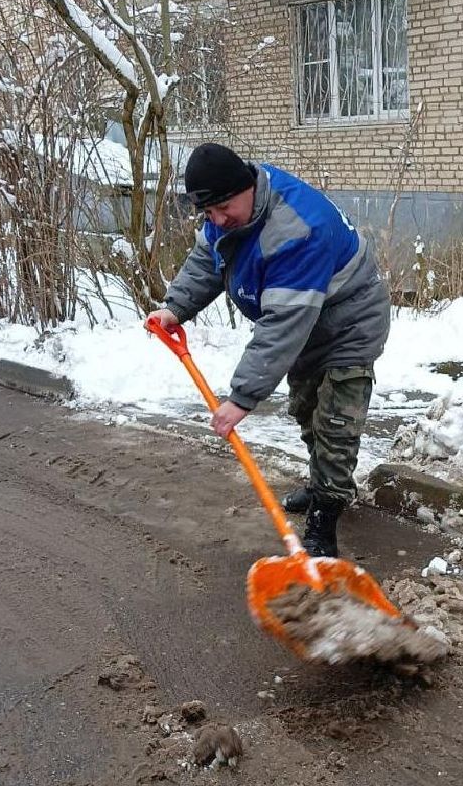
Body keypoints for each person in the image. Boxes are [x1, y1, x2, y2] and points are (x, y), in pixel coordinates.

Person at [146, 142, 391, 559]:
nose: (217, 220)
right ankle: (322, 483)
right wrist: (175, 307)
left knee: (336, 424)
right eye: (208, 213)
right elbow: (208, 258)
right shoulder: (231, 210)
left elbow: (281, 325)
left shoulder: (297, 230)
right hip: (305, 324)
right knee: (307, 411)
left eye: (223, 208)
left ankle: (326, 514)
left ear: (246, 188)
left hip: (349, 323)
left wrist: (241, 398)